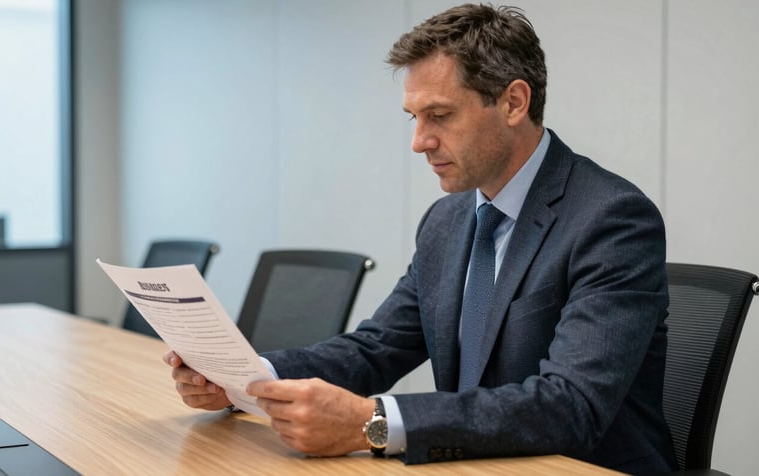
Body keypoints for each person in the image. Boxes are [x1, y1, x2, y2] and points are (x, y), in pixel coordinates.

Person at [165, 3, 677, 473]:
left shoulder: (612, 220)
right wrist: (244, 377)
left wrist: (373, 422)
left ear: (513, 102)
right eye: (414, 118)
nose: (419, 142)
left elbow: (570, 406)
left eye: (440, 115)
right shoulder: (446, 221)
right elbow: (376, 350)